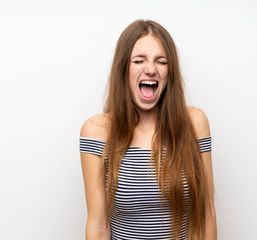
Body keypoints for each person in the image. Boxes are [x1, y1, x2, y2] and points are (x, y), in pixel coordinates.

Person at [80, 19, 217, 240]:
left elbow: (207, 213)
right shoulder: (96, 131)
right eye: (139, 60)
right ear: (123, 69)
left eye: (161, 62)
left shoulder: (195, 123)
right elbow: (98, 225)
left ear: (169, 72)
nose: (151, 69)